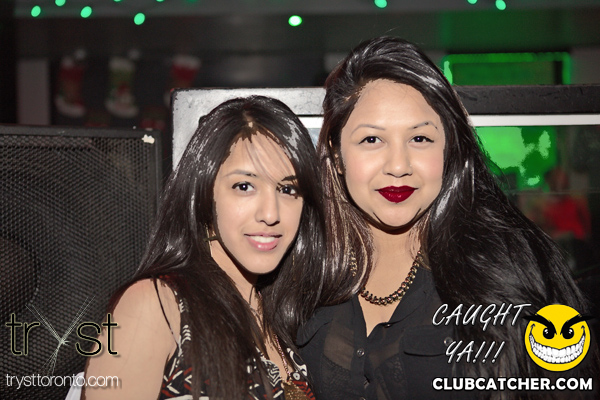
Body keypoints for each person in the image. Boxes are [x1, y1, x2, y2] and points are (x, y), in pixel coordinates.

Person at [297, 36, 598, 399]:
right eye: (372, 140)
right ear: (336, 153)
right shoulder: (304, 268)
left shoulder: (505, 267)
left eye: (420, 139)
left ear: (449, 148)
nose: (398, 166)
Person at [82, 96, 325, 399]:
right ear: (204, 194)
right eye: (244, 186)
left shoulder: (285, 317)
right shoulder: (155, 306)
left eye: (288, 189)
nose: (270, 213)